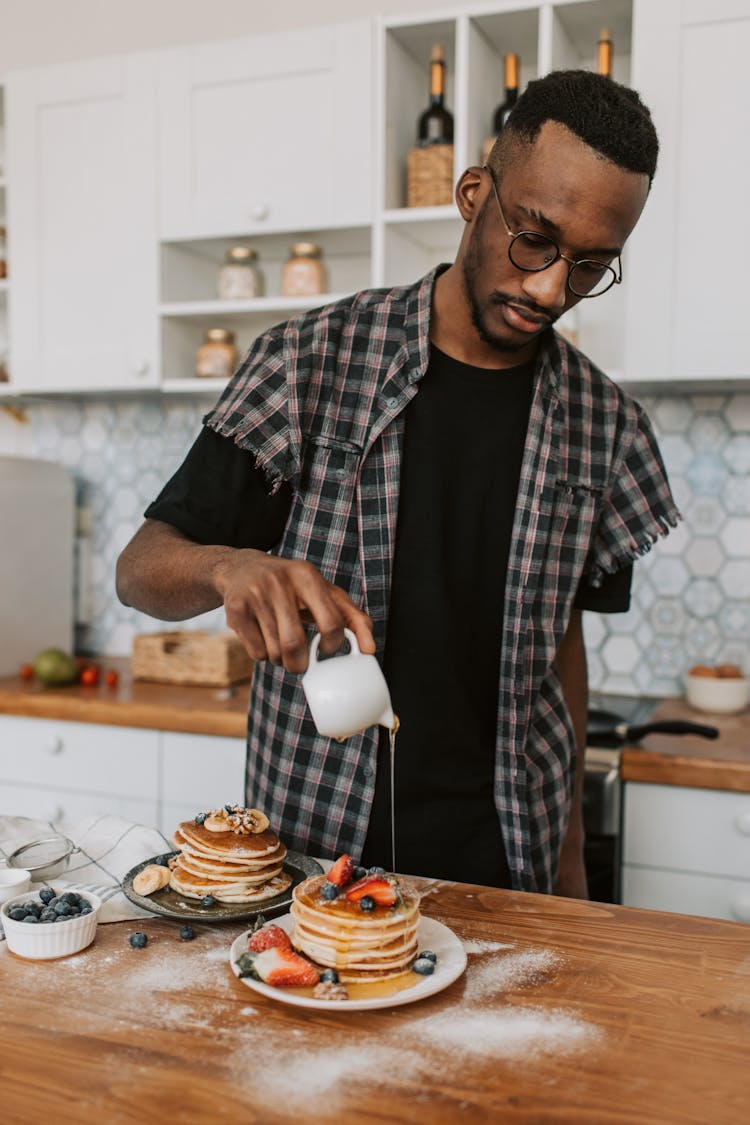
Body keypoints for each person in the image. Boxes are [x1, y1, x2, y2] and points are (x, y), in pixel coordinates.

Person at [117, 69, 678, 899]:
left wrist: (567, 872)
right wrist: (230, 566)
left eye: (591, 266)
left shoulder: (607, 424)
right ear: (474, 193)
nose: (551, 288)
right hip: (314, 845)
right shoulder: (312, 362)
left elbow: (566, 644)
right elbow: (141, 568)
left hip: (506, 857)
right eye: (533, 237)